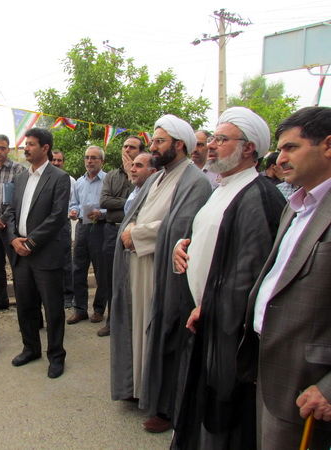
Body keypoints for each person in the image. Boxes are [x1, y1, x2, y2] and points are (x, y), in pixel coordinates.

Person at [171, 107, 286, 449]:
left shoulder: (257, 195)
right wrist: (182, 246)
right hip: (206, 318)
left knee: (224, 418)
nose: (211, 145)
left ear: (249, 148)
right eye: (213, 137)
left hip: (226, 329)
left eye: (222, 139)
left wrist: (209, 306)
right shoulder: (222, 187)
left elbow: (248, 276)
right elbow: (209, 236)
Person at [109, 115, 212, 433]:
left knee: (161, 334)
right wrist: (130, 230)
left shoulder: (195, 181)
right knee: (138, 329)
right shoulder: (157, 177)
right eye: (153, 140)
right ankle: (138, 388)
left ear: (178, 145)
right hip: (137, 265)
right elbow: (135, 212)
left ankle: (165, 407)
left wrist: (136, 234)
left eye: (159, 141)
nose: (152, 146)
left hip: (162, 270)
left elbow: (182, 225)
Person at [237, 106, 331, 450]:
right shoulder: (296, 205)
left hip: (310, 384)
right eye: (280, 149)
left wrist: (329, 388)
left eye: (292, 147)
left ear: (328, 146)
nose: (281, 158)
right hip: (272, 367)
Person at [3, 127, 70, 379]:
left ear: (45, 148)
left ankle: (56, 356)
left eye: (31, 144)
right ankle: (30, 348)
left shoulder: (59, 177)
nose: (26, 148)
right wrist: (13, 239)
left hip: (45, 254)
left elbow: (57, 217)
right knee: (25, 306)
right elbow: (11, 212)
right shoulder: (20, 178)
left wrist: (30, 243)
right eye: (25, 144)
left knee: (52, 309)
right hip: (20, 254)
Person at [96, 137, 138, 336]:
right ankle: (112, 322)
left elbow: (140, 201)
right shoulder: (111, 175)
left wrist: (131, 175)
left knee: (133, 278)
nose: (127, 150)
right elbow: (104, 201)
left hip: (134, 232)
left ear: (140, 151)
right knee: (111, 278)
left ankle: (132, 323)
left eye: (132, 147)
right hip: (112, 230)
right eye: (125, 146)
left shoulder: (146, 174)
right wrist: (128, 201)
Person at [67, 145, 108, 325]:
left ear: (102, 161)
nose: (89, 161)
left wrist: (102, 213)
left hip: (100, 228)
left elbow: (114, 206)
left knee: (101, 271)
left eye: (93, 158)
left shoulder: (108, 180)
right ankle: (80, 309)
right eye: (87, 157)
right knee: (78, 270)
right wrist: (73, 211)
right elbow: (74, 203)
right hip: (82, 227)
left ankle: (99, 309)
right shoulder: (79, 182)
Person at [0, 134, 25, 313]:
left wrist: (3, 219)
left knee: (17, 264)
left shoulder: (18, 170)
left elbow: (18, 199)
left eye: (3, 148)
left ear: (8, 149)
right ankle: (0, 299)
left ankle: (23, 300)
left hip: (11, 224)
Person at [51, 150, 75, 308]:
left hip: (62, 225)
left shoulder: (70, 180)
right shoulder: (44, 179)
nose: (56, 163)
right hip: (45, 227)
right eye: (54, 160)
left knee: (66, 260)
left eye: (59, 160)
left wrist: (73, 211)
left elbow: (74, 203)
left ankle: (68, 295)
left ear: (63, 162)